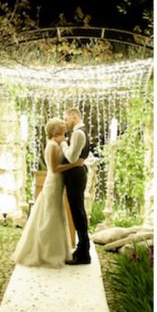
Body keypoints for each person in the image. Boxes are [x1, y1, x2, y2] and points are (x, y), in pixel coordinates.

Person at [12, 118, 84, 268]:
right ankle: (46, 253)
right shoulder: (51, 145)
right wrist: (74, 164)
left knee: (56, 214)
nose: (65, 123)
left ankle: (57, 251)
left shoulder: (58, 143)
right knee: (50, 215)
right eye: (61, 123)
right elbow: (54, 168)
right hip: (53, 182)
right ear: (55, 129)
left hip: (58, 183)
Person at [61, 108, 92, 265]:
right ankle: (82, 249)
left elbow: (72, 157)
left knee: (78, 213)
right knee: (78, 212)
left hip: (76, 175)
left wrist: (63, 144)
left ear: (74, 116)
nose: (65, 122)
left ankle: (84, 253)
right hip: (76, 174)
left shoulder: (79, 133)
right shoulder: (80, 132)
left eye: (66, 119)